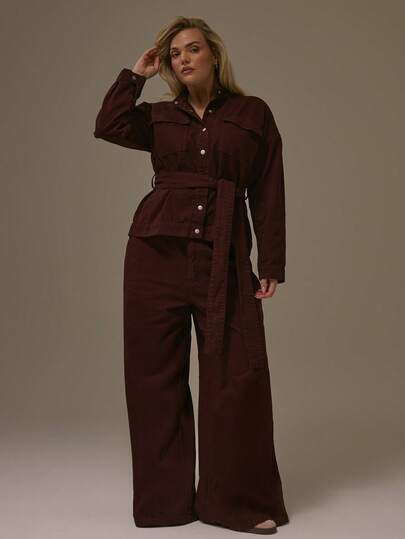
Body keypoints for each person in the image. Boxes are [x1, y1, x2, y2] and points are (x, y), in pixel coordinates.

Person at [93, 15, 289, 535]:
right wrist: (136, 75)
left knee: (237, 375)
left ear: (214, 55)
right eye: (174, 53)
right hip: (154, 255)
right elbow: (108, 124)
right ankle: (165, 505)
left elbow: (268, 186)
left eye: (192, 48)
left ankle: (235, 503)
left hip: (224, 254)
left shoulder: (252, 113)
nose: (183, 58)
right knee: (153, 378)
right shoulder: (158, 116)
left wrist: (271, 262)